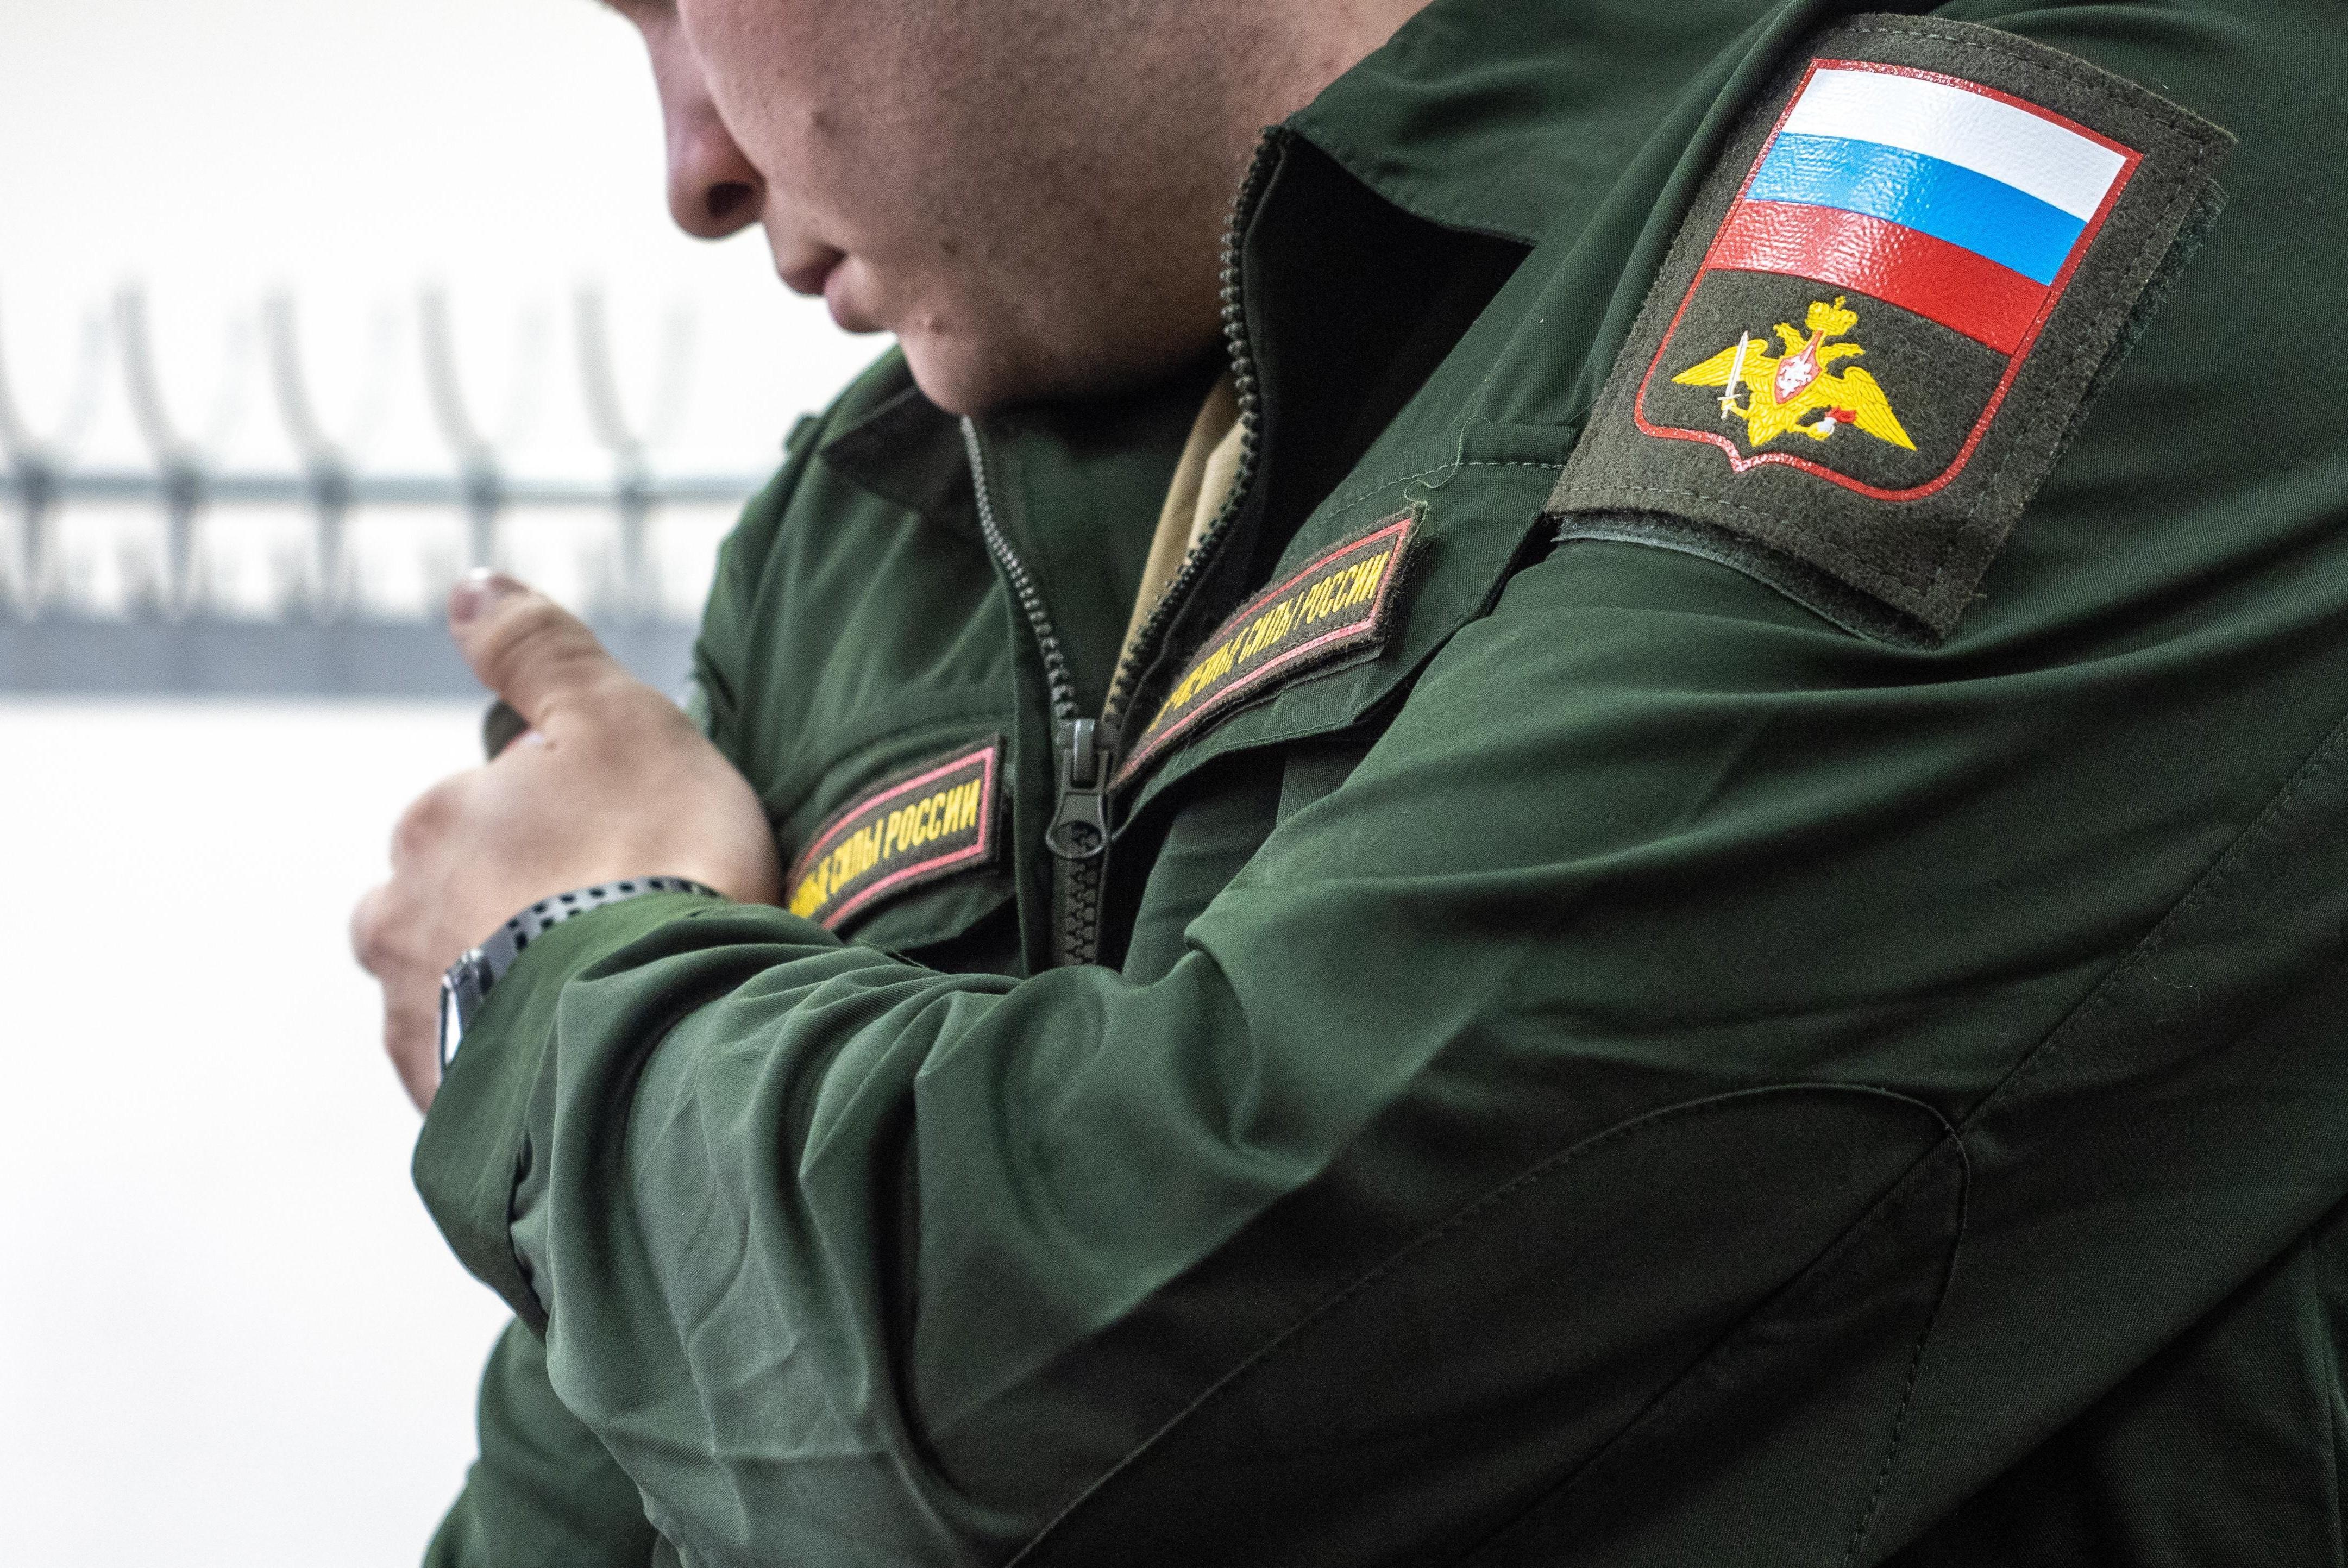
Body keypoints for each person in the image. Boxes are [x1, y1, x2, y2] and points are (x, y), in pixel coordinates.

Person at [350, 0, 2348, 1561]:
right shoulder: (876, 529)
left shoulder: (2065, 152)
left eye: (681, 11)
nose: (692, 172)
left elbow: (1110, 1398)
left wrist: (556, 972)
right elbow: (598, 1498)